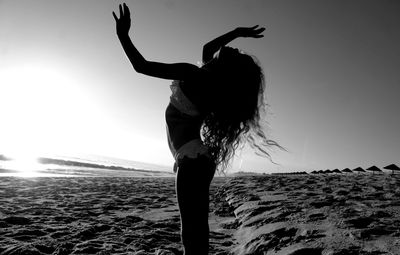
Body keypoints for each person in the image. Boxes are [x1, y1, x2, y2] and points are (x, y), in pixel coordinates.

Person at [113, 3, 281, 254]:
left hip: (192, 160)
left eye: (235, 53)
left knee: (192, 235)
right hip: (195, 159)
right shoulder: (209, 81)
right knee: (195, 231)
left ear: (227, 68)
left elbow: (142, 66)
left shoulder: (194, 75)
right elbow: (207, 49)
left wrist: (123, 36)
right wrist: (236, 31)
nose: (233, 48)